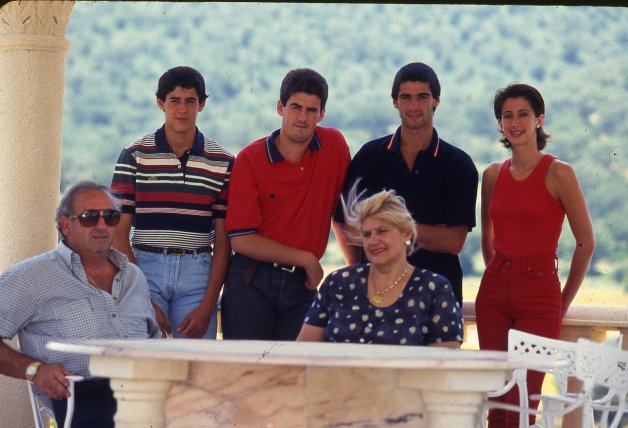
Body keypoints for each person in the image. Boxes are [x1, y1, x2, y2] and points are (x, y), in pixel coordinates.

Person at [476, 83, 595, 428]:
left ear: (539, 119)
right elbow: (488, 237)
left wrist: (562, 303)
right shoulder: (493, 175)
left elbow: (586, 244)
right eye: (507, 116)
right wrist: (498, 275)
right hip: (494, 293)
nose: (514, 123)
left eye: (523, 114)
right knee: (498, 397)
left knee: (524, 399)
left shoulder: (559, 173)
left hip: (540, 295)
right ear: (500, 124)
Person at [0, 181, 161, 428]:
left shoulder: (134, 277)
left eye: (111, 217)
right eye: (89, 217)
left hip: (151, 396)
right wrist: (34, 371)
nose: (102, 225)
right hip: (86, 402)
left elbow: (156, 344)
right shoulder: (31, 277)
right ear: (66, 225)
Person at [222, 68, 351, 340]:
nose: (302, 118)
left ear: (322, 114)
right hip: (252, 281)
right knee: (250, 375)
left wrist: (356, 271)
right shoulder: (250, 159)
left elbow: (345, 215)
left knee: (299, 375)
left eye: (311, 110)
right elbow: (242, 240)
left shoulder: (334, 147)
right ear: (280, 107)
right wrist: (305, 258)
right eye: (295, 107)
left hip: (302, 285)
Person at [334, 62, 478, 306]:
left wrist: (383, 231)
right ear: (395, 102)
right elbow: (347, 226)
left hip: (437, 297)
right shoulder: (370, 156)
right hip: (375, 294)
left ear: (436, 100)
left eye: (422, 97)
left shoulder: (459, 165)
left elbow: (453, 241)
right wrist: (362, 268)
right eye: (406, 97)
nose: (413, 106)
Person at [111, 66, 234, 339]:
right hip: (143, 266)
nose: (182, 109)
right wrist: (141, 296)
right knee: (142, 363)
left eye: (191, 101)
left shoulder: (223, 162)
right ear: (160, 103)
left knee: (196, 366)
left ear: (202, 105)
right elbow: (118, 233)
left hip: (198, 271)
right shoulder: (134, 156)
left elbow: (224, 240)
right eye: (174, 101)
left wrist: (208, 305)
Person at [297, 185, 462, 347]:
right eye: (367, 234)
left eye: (382, 231)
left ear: (407, 233)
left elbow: (444, 365)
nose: (373, 240)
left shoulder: (435, 290)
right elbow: (301, 353)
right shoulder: (338, 283)